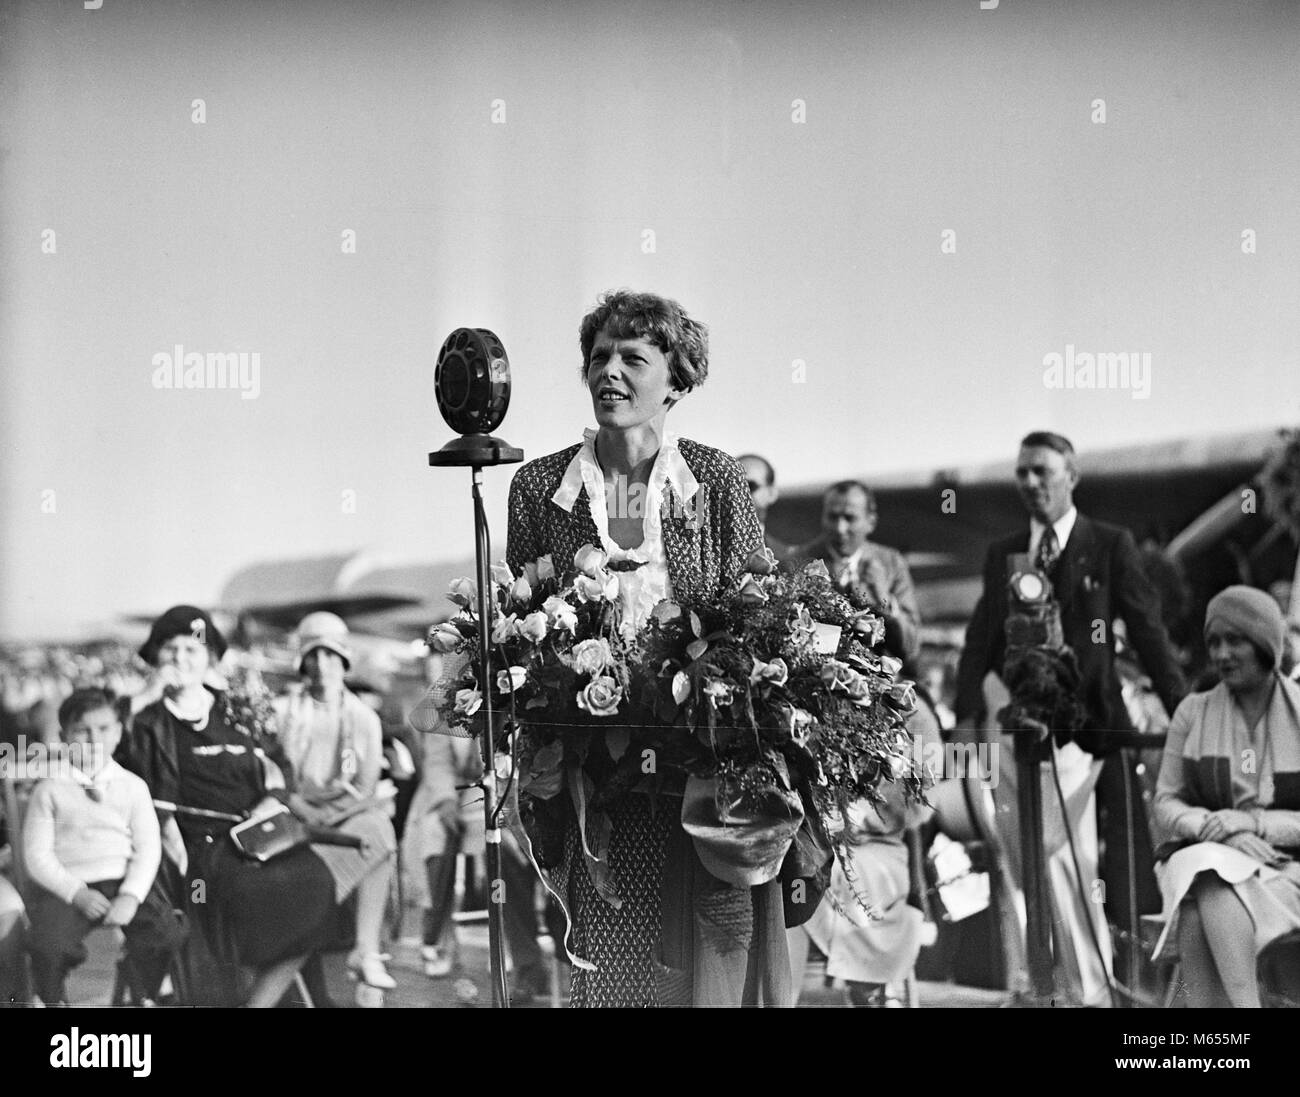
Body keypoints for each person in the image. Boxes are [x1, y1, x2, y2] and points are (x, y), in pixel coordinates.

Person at [506, 288, 785, 1007]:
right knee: (613, 967)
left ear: (678, 378)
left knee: (711, 963)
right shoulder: (538, 489)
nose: (611, 372)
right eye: (599, 357)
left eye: (635, 356)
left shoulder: (717, 481)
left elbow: (758, 618)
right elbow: (521, 635)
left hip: (704, 777)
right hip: (598, 782)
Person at [954, 431, 1186, 1001]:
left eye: (1043, 472)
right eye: (1022, 473)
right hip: (1011, 732)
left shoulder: (1109, 545)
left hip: (1079, 736)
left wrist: (1184, 711)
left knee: (1066, 859)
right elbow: (981, 637)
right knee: (1015, 862)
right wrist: (963, 723)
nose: (1031, 483)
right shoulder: (1003, 553)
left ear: (1072, 476)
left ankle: (1088, 992)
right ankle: (1028, 987)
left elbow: (1148, 631)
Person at [116, 606, 337, 1006]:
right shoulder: (146, 720)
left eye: (192, 650)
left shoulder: (237, 707)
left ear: (210, 659)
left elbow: (279, 766)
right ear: (155, 659)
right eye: (171, 650)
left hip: (258, 838)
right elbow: (110, 757)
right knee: (248, 892)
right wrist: (147, 695)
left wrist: (272, 799)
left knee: (317, 879)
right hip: (195, 851)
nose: (182, 659)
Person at [1153, 586, 1300, 1006]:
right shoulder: (1192, 712)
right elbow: (1165, 801)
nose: (1221, 654)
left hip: (1285, 868)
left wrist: (1254, 824)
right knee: (1209, 868)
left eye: (1234, 640)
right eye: (1214, 642)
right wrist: (1220, 832)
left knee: (1203, 900)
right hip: (1206, 855)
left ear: (1265, 645)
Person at [22, 687, 183, 1005]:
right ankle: (53, 1000)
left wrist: (131, 894)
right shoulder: (51, 788)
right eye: (82, 730)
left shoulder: (133, 787)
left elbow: (148, 848)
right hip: (70, 885)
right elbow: (36, 855)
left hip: (123, 882)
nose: (94, 740)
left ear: (119, 733)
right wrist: (76, 893)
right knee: (46, 944)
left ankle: (143, 989)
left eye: (104, 729)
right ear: (64, 736)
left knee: (167, 932)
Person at [275, 612, 399, 995]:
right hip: (291, 815)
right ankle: (313, 945)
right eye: (313, 656)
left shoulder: (363, 718)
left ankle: (366, 949)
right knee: (376, 839)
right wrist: (302, 809)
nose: (322, 666)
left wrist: (328, 816)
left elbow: (363, 789)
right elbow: (271, 778)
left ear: (344, 661)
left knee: (380, 832)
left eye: (330, 656)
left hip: (343, 816)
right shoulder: (283, 712)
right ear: (302, 662)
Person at [791, 481, 921, 664]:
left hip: (878, 677)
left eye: (849, 518)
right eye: (832, 517)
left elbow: (911, 646)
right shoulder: (800, 561)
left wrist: (884, 600)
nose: (839, 528)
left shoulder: (891, 563)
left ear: (871, 522)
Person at [737, 454, 794, 564]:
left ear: (771, 494)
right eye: (731, 485)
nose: (738, 493)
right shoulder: (704, 554)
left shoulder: (788, 560)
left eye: (749, 485)